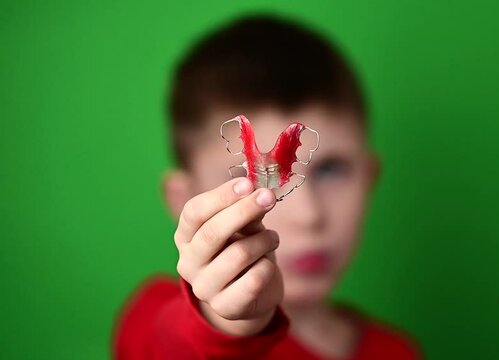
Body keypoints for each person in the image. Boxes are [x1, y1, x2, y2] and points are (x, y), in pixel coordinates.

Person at [113, 15, 421, 360]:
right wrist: (227, 322)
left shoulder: (396, 352)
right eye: (257, 178)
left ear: (369, 179)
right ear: (185, 200)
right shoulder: (150, 322)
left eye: (331, 170)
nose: (309, 215)